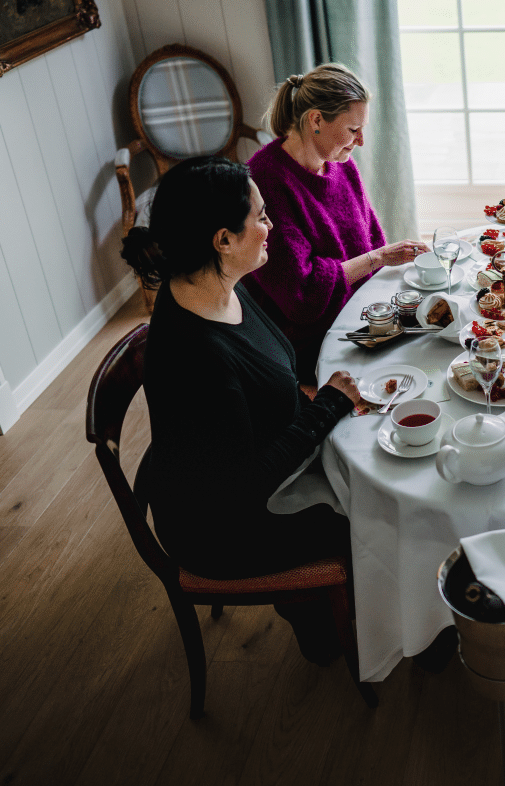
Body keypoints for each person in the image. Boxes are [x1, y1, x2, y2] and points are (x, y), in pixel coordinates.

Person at [121, 156, 360, 665]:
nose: (271, 226)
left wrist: (323, 408)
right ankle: (330, 629)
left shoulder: (222, 287)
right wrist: (329, 407)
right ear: (222, 239)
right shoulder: (194, 354)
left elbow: (272, 385)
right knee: (371, 515)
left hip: (248, 469)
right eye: (261, 216)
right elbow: (242, 484)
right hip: (222, 528)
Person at [245, 63, 425, 384]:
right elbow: (301, 296)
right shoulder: (267, 180)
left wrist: (387, 283)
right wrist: (379, 257)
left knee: (434, 337)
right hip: (309, 340)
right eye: (353, 130)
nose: (361, 141)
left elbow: (371, 242)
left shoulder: (342, 168)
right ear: (316, 120)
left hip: (358, 315)